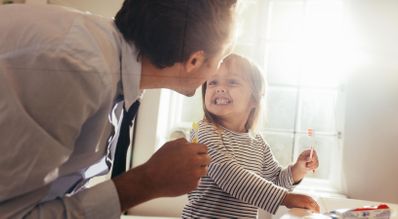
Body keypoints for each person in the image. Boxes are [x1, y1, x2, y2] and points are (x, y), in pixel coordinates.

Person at [0, 0, 237, 218]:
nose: (218, 72)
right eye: (222, 56)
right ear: (194, 61)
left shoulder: (110, 68)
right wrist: (146, 182)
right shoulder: (79, 70)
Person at [181, 54, 320, 218]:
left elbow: (275, 182)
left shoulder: (258, 144)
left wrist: (298, 170)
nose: (219, 88)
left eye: (232, 82)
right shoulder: (202, 131)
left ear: (254, 99)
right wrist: (285, 198)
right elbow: (229, 175)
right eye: (213, 82)